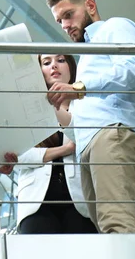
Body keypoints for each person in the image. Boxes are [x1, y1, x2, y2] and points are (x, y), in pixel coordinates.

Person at [45, 0, 135, 234]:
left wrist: (79, 88)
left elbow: (132, 68)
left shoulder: (115, 26)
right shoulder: (87, 56)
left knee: (118, 224)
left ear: (90, 5)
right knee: (106, 231)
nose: (65, 25)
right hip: (91, 144)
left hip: (111, 134)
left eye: (68, 15)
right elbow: (79, 121)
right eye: (60, 21)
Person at [15, 53, 98, 234]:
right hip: (36, 202)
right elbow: (17, 155)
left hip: (80, 201)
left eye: (61, 60)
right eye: (46, 62)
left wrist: (57, 109)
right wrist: (64, 149)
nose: (54, 66)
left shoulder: (88, 105)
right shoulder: (26, 111)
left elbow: (88, 138)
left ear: (72, 68)